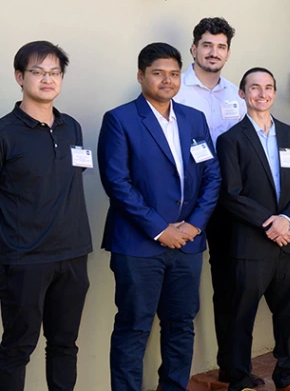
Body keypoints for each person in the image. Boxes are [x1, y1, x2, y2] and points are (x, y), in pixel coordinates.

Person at [98, 42, 221, 391]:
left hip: (188, 244)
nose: (166, 80)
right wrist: (159, 229)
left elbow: (212, 176)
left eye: (172, 74)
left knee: (181, 325)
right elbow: (117, 183)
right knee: (133, 328)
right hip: (139, 245)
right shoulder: (120, 120)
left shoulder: (194, 120)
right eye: (157, 73)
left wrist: (194, 225)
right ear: (141, 76)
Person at [215, 67, 290, 391]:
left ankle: (287, 379)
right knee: (240, 318)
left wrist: (285, 220)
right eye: (254, 88)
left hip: (288, 243)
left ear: (274, 93)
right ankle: (240, 381)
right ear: (242, 94)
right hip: (250, 245)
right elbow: (231, 194)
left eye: (268, 87)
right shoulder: (230, 140)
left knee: (288, 319)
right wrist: (269, 222)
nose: (262, 93)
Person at [0, 41, 91, 391]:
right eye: (38, 72)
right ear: (20, 77)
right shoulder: (6, 133)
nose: (47, 79)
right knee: (17, 348)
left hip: (72, 254)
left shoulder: (72, 128)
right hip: (23, 260)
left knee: (65, 345)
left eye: (54, 72)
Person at [168, 17, 251, 388]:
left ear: (228, 52)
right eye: (207, 45)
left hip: (229, 203)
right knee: (178, 291)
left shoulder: (237, 94)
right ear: (194, 49)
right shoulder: (175, 89)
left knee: (229, 285)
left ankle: (231, 369)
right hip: (186, 203)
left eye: (220, 47)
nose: (213, 52)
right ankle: (173, 376)